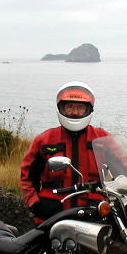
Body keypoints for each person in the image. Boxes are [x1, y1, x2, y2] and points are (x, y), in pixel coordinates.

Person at [20, 81, 110, 223]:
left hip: (95, 211)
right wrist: (35, 203)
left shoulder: (103, 139)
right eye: (70, 107)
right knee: (40, 244)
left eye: (80, 107)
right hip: (52, 213)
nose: (75, 112)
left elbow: (125, 170)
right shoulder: (45, 140)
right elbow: (27, 176)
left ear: (89, 110)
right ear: (61, 108)